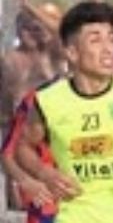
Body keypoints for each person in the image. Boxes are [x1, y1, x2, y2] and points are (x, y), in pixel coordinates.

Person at [15, 1, 113, 223]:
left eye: (111, 38)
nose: (108, 48)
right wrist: (45, 173)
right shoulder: (48, 101)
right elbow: (22, 147)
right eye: (95, 40)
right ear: (72, 52)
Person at [1, 89, 58, 223]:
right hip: (48, 203)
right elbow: (8, 152)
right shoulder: (38, 100)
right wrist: (25, 180)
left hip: (99, 199)